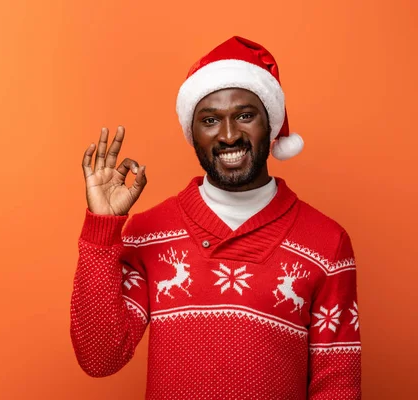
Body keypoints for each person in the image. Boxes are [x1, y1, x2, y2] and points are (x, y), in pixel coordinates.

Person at [70, 36, 361, 399]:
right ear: (192, 134)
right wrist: (102, 229)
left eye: (244, 115)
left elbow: (337, 385)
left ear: (270, 124)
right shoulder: (147, 234)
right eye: (209, 120)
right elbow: (100, 358)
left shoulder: (328, 242)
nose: (228, 135)